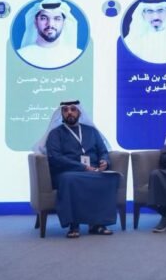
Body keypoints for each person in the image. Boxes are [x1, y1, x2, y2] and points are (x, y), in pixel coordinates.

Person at [35, 100, 120, 238]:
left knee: (109, 178)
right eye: (65, 110)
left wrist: (105, 161)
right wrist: (83, 167)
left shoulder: (91, 131)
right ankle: (74, 225)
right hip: (67, 172)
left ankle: (98, 224)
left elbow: (103, 151)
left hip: (93, 171)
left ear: (79, 112)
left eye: (73, 109)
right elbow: (55, 158)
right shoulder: (55, 134)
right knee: (70, 179)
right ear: (62, 114)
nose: (69, 112)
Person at [17, 0, 82, 68]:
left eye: (57, 19)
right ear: (35, 22)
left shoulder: (76, 55)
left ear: (64, 23)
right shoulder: (21, 55)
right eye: (44, 18)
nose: (50, 24)